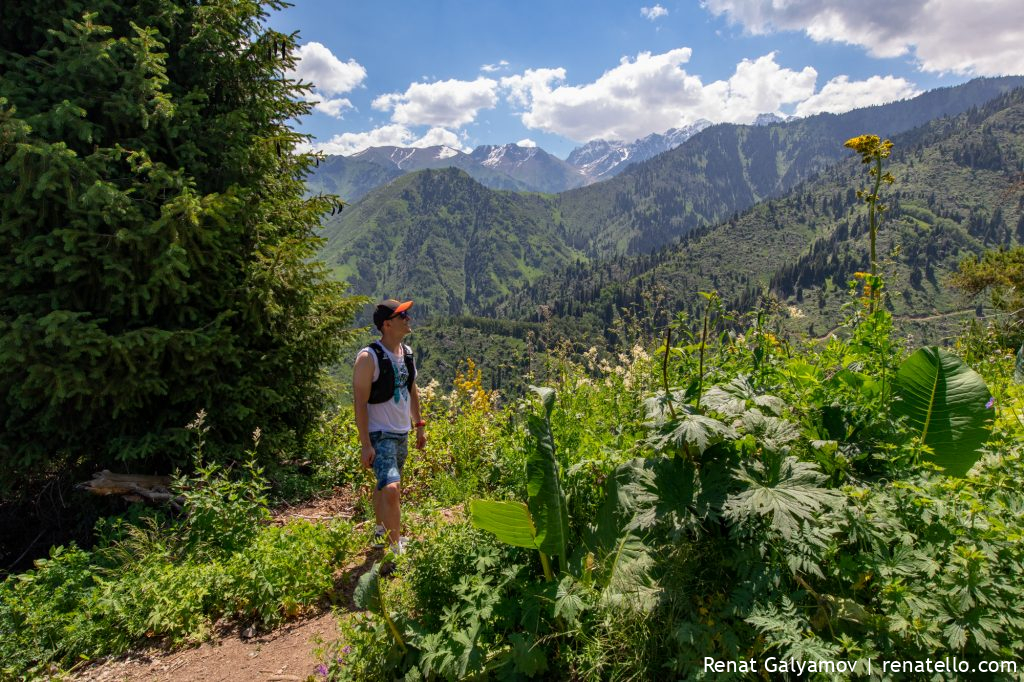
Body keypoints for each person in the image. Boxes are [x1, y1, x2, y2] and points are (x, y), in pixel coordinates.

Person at [352, 299, 426, 555]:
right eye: (402, 315)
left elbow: (411, 389)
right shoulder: (368, 357)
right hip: (379, 432)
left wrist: (419, 424)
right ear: (387, 324)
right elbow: (360, 403)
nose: (408, 319)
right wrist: (365, 444)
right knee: (393, 488)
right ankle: (395, 546)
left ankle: (380, 531)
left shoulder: (406, 353)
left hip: (401, 432)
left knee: (385, 484)